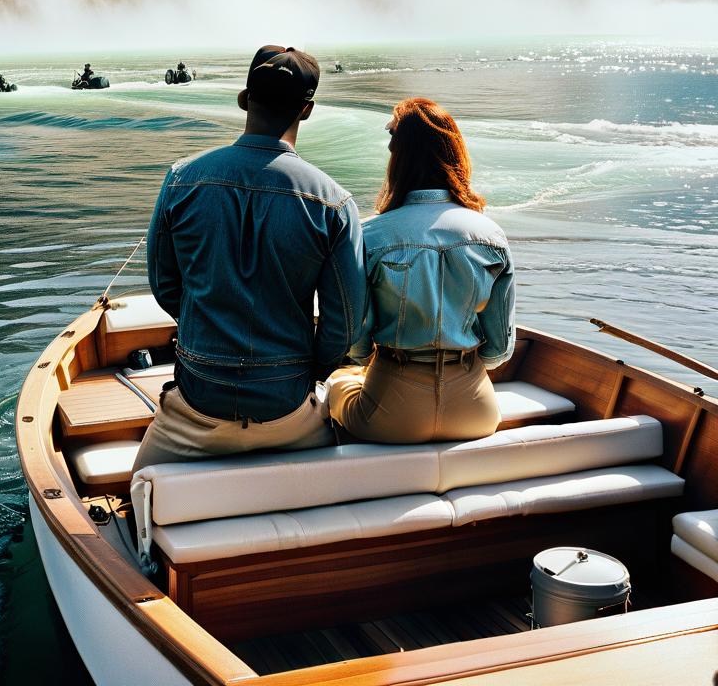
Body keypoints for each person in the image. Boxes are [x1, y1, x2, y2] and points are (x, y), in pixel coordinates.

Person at [132, 45, 370, 472]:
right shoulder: (334, 202)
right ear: (307, 110)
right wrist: (308, 370)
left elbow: (165, 285)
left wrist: (202, 331)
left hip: (197, 400)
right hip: (288, 406)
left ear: (244, 99)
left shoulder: (182, 178)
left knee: (132, 502)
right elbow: (346, 322)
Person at [327, 97, 514, 444]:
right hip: (476, 412)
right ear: (455, 153)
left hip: (392, 412)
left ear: (397, 160)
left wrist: (363, 361)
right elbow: (498, 350)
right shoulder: (491, 236)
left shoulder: (369, 235)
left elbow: (358, 343)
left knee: (340, 382)